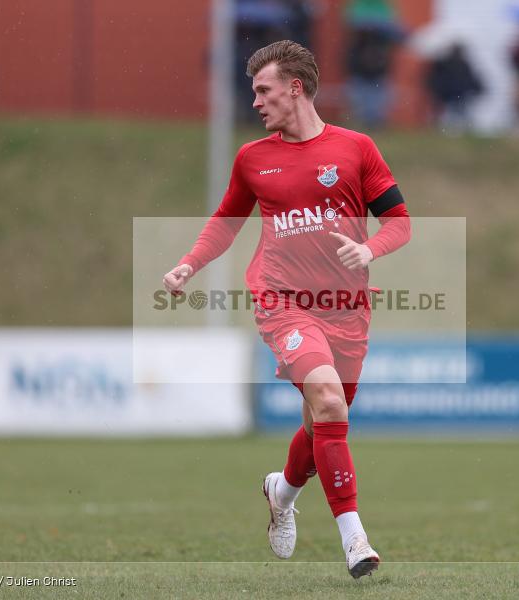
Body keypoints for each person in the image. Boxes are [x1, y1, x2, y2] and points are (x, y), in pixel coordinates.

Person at [162, 40, 411, 578]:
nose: (255, 101)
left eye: (263, 90)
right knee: (327, 399)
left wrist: (370, 249)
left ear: (294, 88)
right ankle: (356, 540)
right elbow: (225, 223)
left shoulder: (356, 148)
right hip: (282, 302)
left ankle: (283, 490)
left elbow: (400, 222)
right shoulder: (253, 158)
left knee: (325, 417)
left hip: (347, 308)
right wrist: (188, 265)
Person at [425, 42, 484, 134]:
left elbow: (435, 79)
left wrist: (436, 91)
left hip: (449, 95)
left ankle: (445, 132)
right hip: (458, 95)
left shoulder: (443, 64)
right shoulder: (460, 65)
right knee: (458, 115)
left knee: (449, 115)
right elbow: (471, 80)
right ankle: (458, 131)